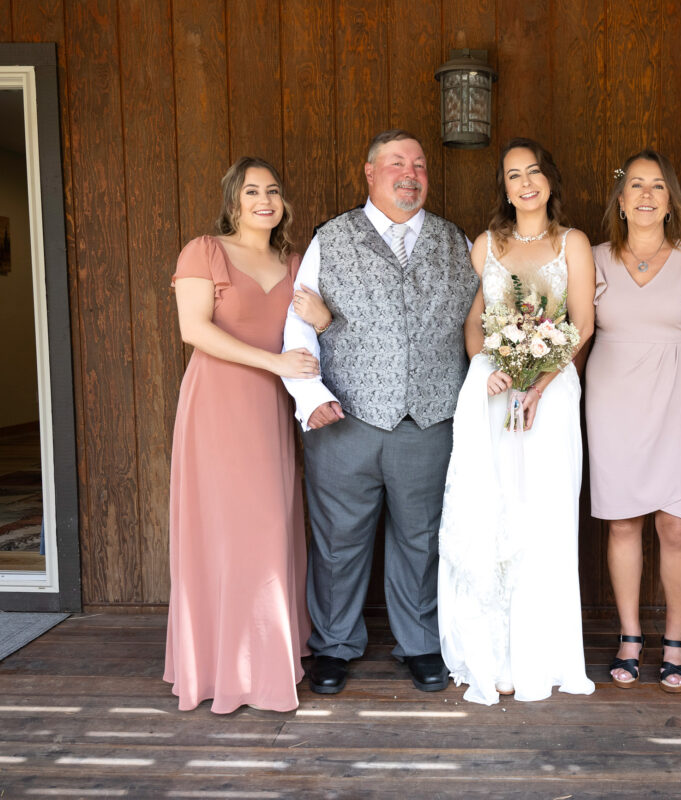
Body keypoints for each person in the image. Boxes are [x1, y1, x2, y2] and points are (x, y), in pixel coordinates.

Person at [281, 130, 477, 695]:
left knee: (422, 539)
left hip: (431, 418)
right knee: (339, 539)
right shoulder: (330, 237)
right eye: (396, 163)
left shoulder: (453, 238)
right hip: (345, 417)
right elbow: (299, 322)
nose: (409, 173)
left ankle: (419, 643)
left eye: (418, 164)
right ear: (370, 173)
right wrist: (310, 397)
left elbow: (474, 319)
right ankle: (335, 645)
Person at [437, 138, 597, 705]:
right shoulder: (486, 245)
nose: (525, 182)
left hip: (551, 397)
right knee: (494, 510)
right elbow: (474, 322)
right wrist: (488, 373)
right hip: (494, 393)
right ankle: (494, 653)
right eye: (513, 175)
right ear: (503, 188)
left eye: (533, 171)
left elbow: (581, 325)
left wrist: (540, 384)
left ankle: (540, 655)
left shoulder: (572, 243)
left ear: (550, 180)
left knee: (543, 516)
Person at [165, 156, 323, 713]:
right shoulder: (202, 251)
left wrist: (320, 318)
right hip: (217, 405)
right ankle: (221, 667)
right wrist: (274, 362)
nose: (265, 200)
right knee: (226, 531)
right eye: (252, 190)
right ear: (233, 199)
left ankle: (269, 658)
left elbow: (314, 328)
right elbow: (193, 329)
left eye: (273, 191)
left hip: (269, 410)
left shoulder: (295, 260)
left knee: (270, 527)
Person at [585, 149, 681, 693]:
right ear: (621, 201)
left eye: (658, 186)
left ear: (669, 200)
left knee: (676, 524)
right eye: (637, 187)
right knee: (622, 521)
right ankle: (630, 636)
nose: (647, 195)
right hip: (611, 396)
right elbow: (575, 332)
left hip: (677, 396)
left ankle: (675, 638)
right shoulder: (594, 258)